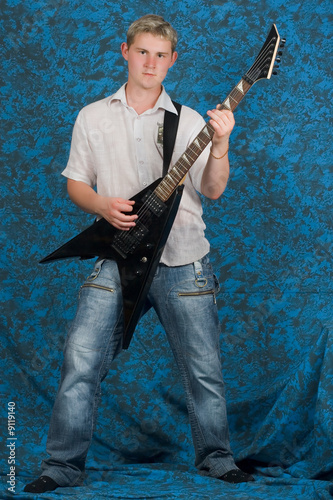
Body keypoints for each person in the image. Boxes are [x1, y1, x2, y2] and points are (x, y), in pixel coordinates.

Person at [24, 14, 254, 494]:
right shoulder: (92, 115)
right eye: (142, 51)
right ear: (124, 52)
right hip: (116, 257)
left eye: (161, 55)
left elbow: (212, 191)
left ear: (173, 61)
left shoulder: (188, 121)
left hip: (185, 261)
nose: (151, 62)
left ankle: (216, 458)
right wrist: (101, 205)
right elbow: (74, 183)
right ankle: (61, 465)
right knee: (81, 361)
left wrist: (221, 144)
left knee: (204, 371)